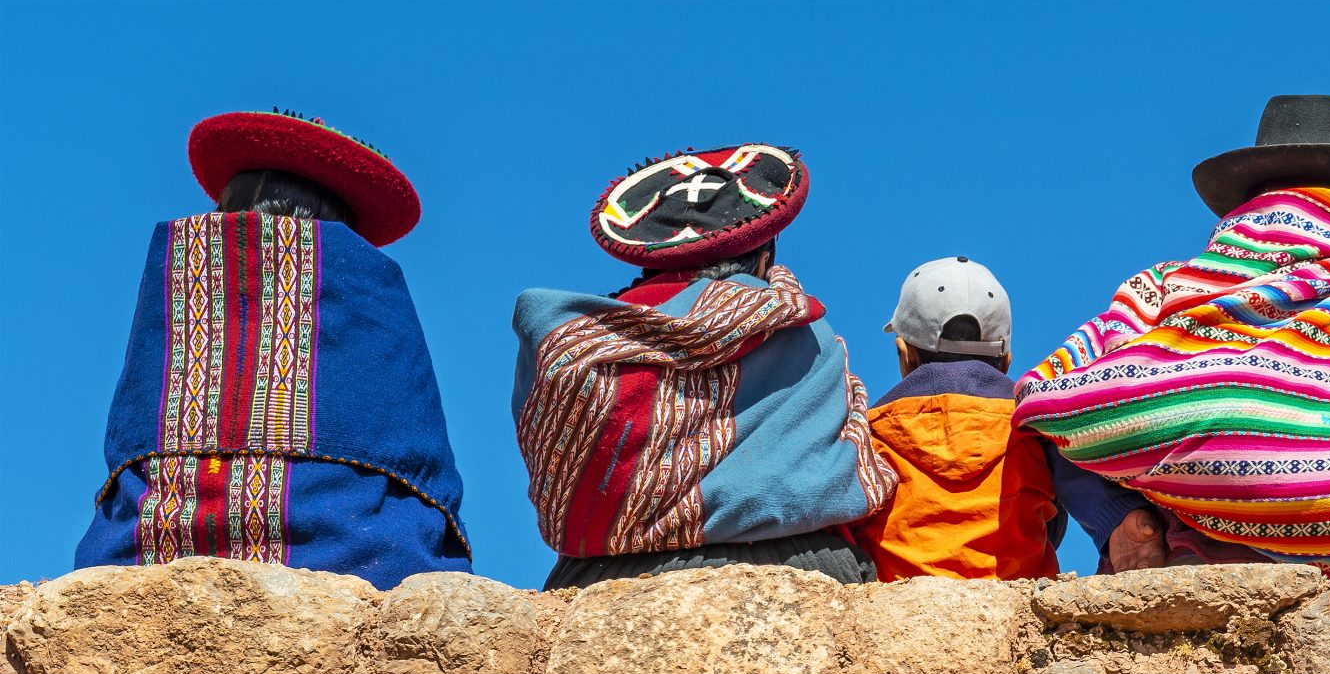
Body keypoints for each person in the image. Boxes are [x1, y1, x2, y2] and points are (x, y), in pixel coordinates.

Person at [1014, 94, 1330, 578]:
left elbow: (1049, 397)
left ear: (1248, 209)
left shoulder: (1163, 289)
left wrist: (1114, 518)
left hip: (1188, 563)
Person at [77, 109, 471, 589]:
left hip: (147, 548)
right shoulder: (374, 294)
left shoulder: (179, 273)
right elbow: (413, 451)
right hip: (359, 549)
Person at [513, 143, 896, 589]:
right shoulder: (804, 332)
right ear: (765, 254)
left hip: (601, 577)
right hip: (797, 567)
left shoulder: (566, 343)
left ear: (649, 254)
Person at [854, 256, 1063, 580]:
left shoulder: (868, 432)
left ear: (904, 353)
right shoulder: (1035, 428)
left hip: (898, 596)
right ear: (1006, 361)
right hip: (1011, 591)